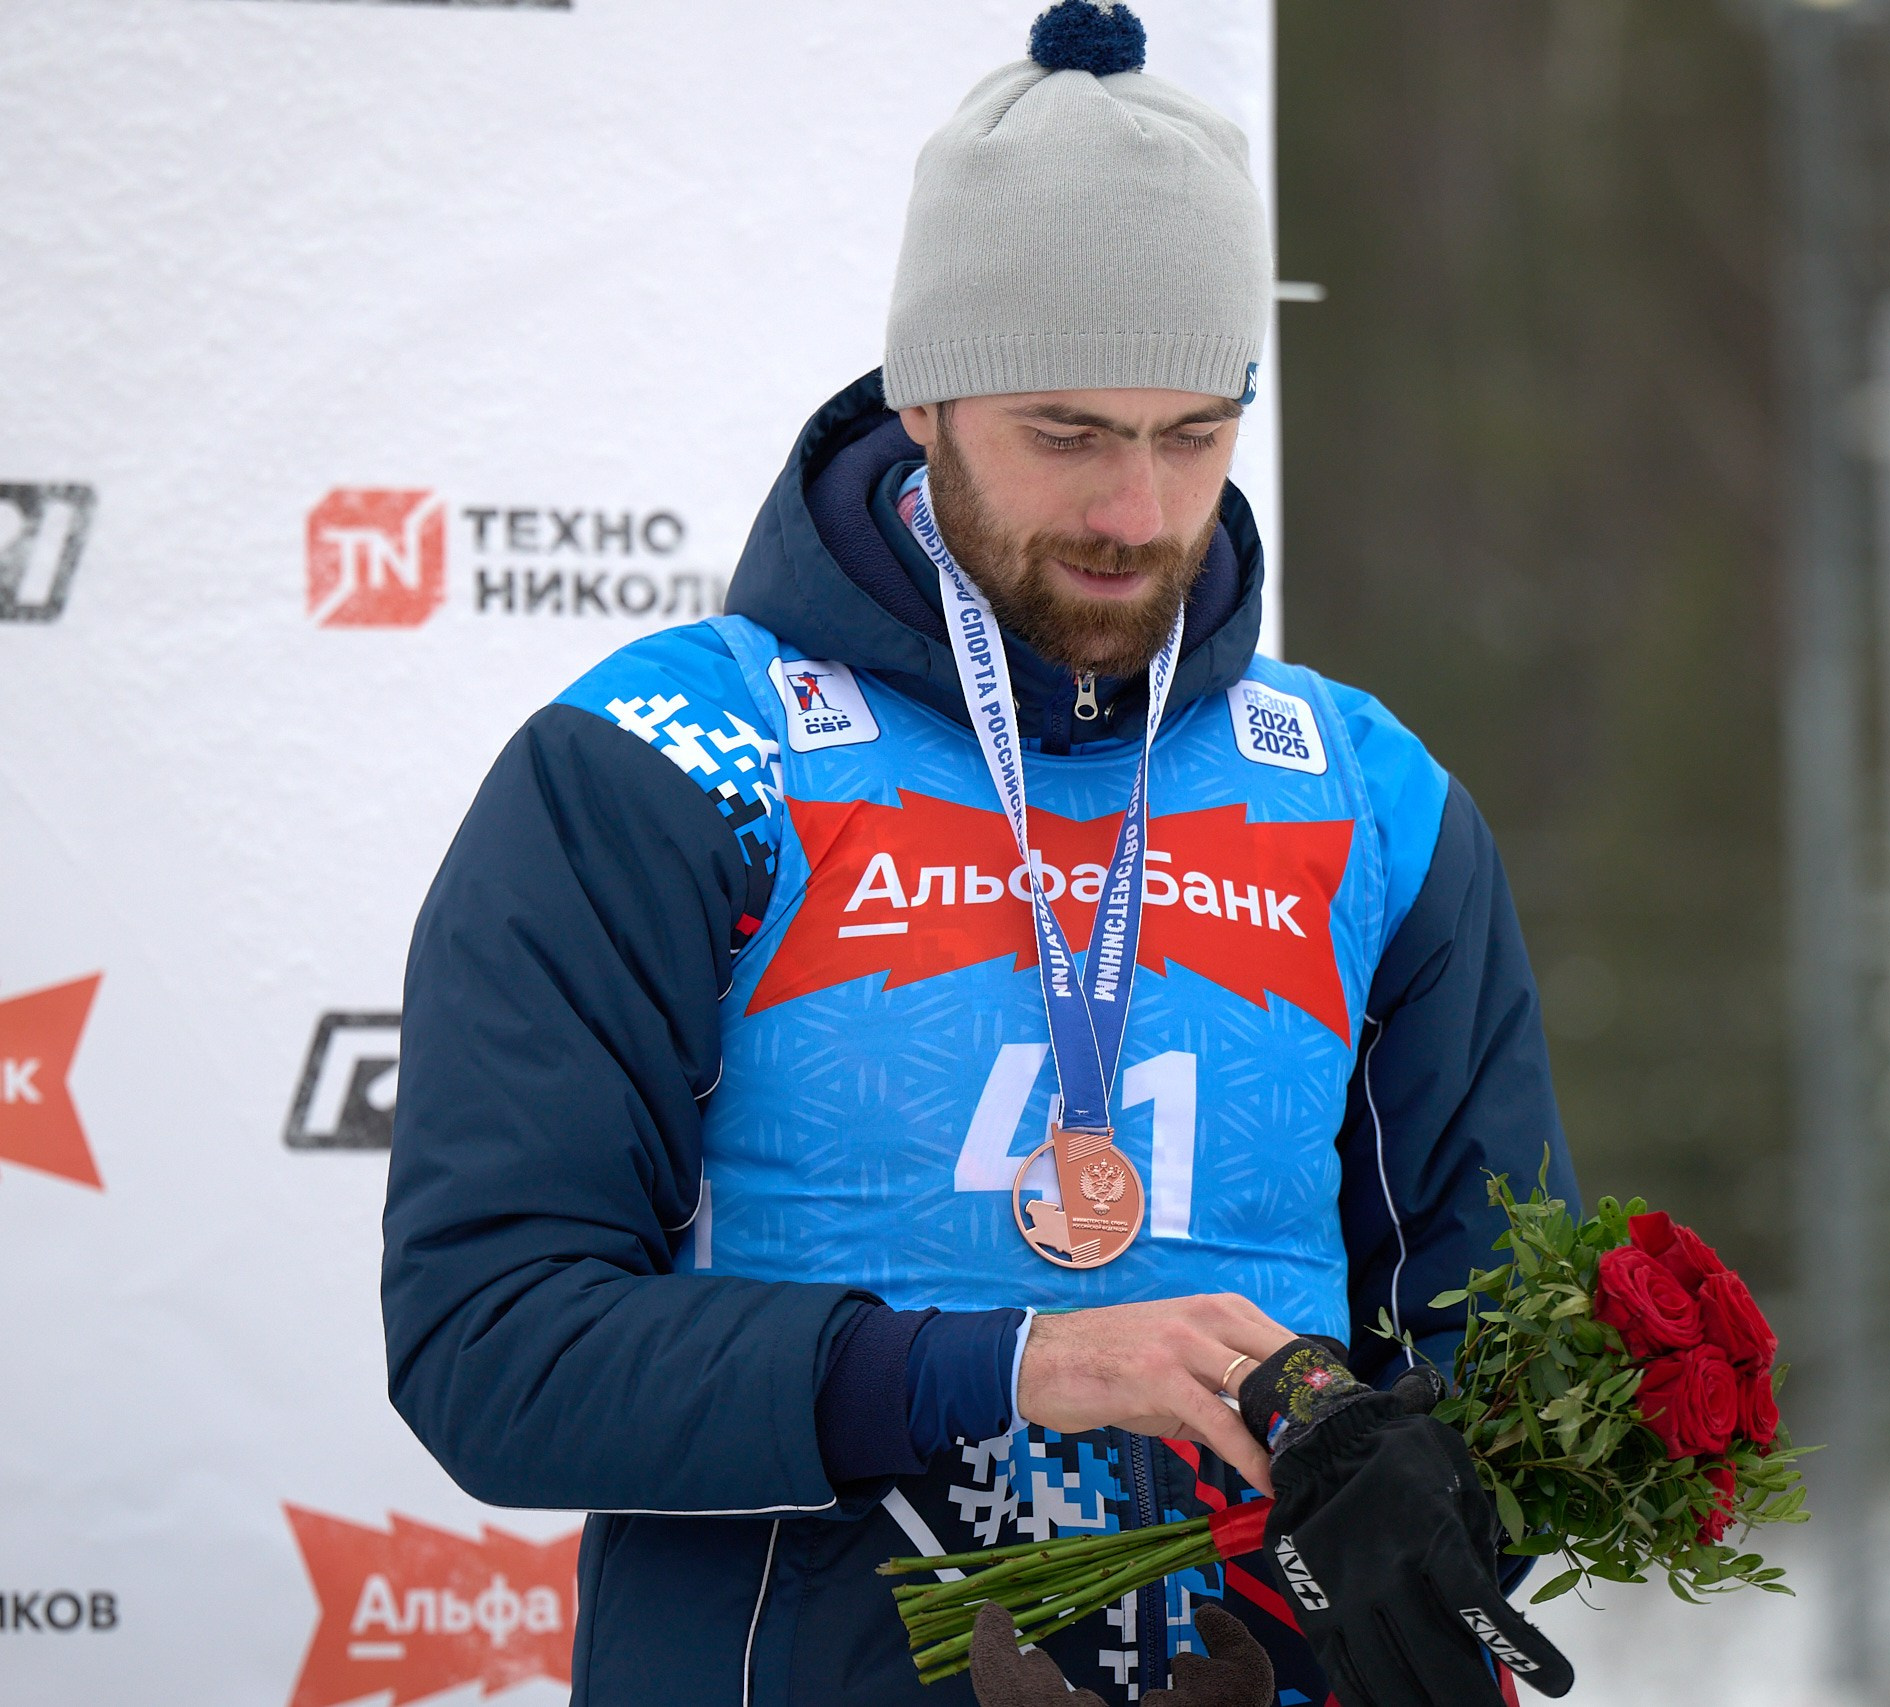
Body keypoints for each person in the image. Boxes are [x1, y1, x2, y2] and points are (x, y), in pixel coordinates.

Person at [381, 5, 1579, 1702]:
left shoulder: (1372, 799)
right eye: (1069, 435)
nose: (1139, 513)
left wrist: (1433, 1493)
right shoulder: (665, 762)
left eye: (1194, 435)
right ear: (925, 397)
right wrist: (1007, 1367)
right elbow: (491, 1348)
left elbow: (1509, 1356)